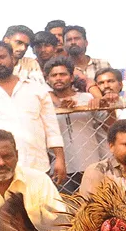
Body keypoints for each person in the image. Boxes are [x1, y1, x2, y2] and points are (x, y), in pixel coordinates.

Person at [0, 40, 66, 184]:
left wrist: (60, 159)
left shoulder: (36, 89)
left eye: (2, 57)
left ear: (12, 58)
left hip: (35, 166)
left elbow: (52, 128)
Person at [46, 56, 111, 192]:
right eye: (54, 75)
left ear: (71, 78)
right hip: (62, 169)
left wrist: (108, 105)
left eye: (63, 74)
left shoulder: (87, 98)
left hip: (91, 165)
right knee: (66, 204)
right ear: (47, 79)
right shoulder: (45, 104)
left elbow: (108, 123)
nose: (58, 78)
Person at [62, 26, 110, 99]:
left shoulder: (103, 65)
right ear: (64, 45)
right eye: (69, 40)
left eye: (77, 39)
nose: (73, 42)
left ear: (86, 42)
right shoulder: (63, 69)